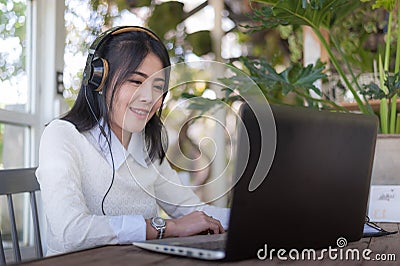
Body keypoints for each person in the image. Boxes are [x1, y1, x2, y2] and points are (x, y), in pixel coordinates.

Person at [36, 26, 230, 256]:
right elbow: (70, 231)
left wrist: (264, 218)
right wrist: (168, 228)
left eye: (157, 87)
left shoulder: (145, 144)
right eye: (136, 82)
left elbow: (192, 210)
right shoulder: (62, 136)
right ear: (99, 80)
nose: (149, 98)